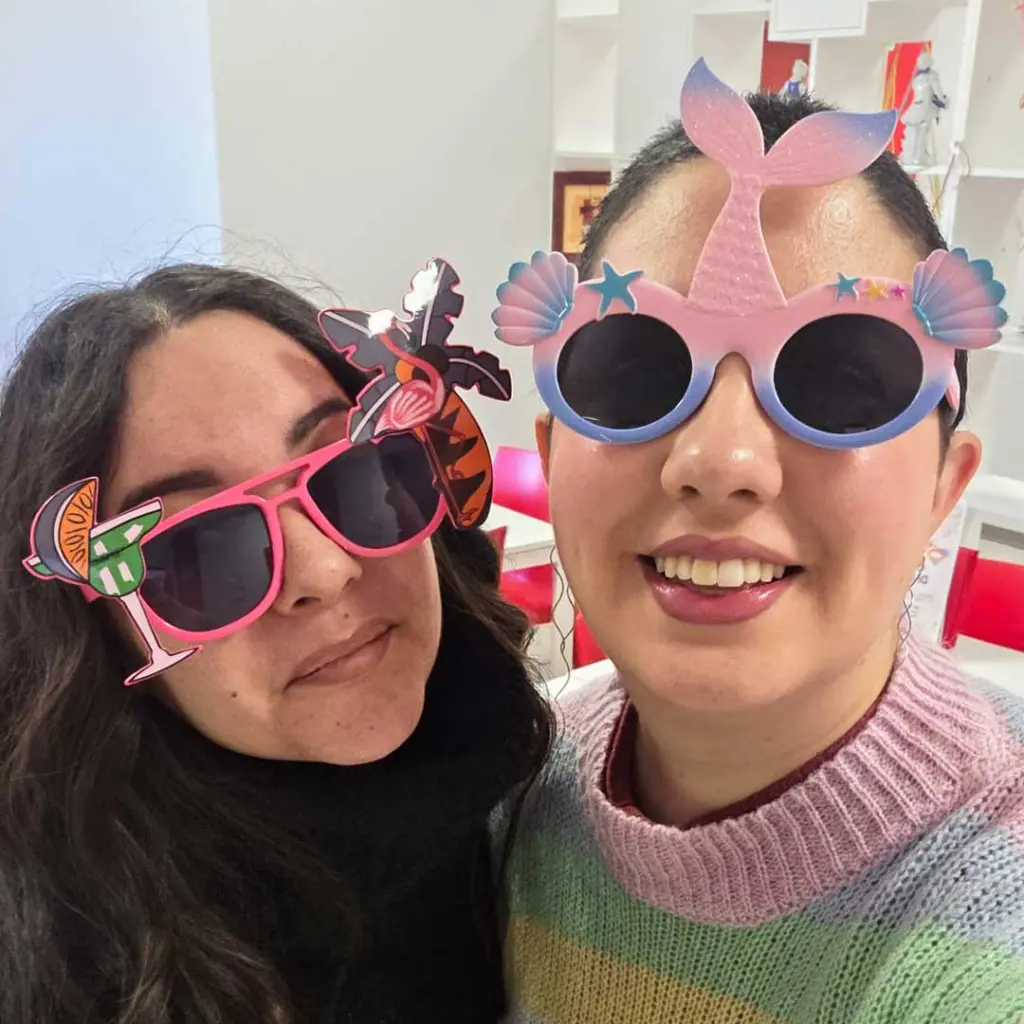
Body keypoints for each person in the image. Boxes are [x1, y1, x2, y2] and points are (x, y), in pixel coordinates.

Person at [492, 60, 1024, 1022]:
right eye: (636, 370)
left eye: (843, 382)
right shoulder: (508, 789)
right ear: (554, 457)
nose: (721, 459)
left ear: (944, 488)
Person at [0, 262, 552, 1024]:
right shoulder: (84, 970)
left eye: (356, 475)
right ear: (100, 639)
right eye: (201, 551)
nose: (325, 572)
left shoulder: (545, 804)